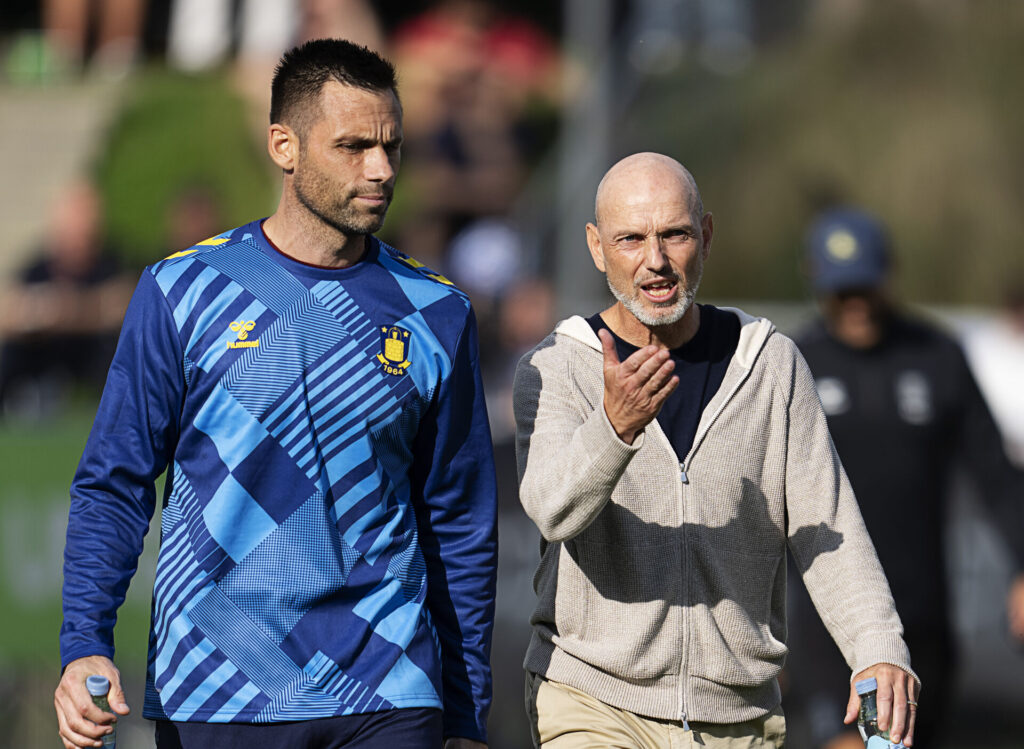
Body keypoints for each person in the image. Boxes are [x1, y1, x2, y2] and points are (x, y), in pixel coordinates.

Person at [54, 39, 497, 749]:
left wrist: (467, 712)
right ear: (283, 146)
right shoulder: (181, 292)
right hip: (217, 685)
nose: (381, 169)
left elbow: (459, 522)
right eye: (353, 146)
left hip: (386, 686)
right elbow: (116, 480)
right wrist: (84, 642)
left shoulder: (436, 312)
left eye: (391, 146)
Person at [513, 153, 919, 748]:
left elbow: (825, 524)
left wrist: (878, 646)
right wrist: (614, 428)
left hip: (738, 717)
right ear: (597, 248)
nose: (655, 260)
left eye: (674, 234)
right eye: (631, 239)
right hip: (592, 700)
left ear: (705, 235)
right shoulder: (554, 366)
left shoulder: (770, 363)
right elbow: (551, 508)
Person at [786, 207, 1024, 749]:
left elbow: (996, 473)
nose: (855, 304)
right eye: (841, 291)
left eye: (864, 287)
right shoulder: (794, 362)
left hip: (923, 620)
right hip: (831, 624)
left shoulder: (937, 358)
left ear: (888, 276)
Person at [0, 179, 133, 418]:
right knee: (10, 353)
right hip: (46, 350)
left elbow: (122, 303)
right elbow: (11, 311)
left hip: (93, 351)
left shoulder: (111, 263)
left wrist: (72, 310)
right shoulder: (37, 268)